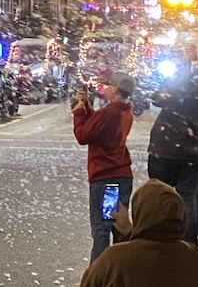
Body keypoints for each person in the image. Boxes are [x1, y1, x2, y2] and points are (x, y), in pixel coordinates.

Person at [147, 44, 198, 245]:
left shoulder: (184, 90)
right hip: (196, 153)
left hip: (166, 149)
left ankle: (159, 235)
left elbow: (158, 98)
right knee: (187, 199)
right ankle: (186, 243)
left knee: (158, 194)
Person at [80, 179, 198, 287]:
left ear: (140, 212)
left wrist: (131, 234)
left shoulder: (113, 259)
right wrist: (130, 232)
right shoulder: (193, 258)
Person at [73, 71, 136, 262]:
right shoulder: (124, 110)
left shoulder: (109, 112)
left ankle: (99, 277)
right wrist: (87, 108)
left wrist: (78, 112)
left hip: (107, 178)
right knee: (119, 228)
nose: (104, 88)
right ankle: (119, 274)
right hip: (121, 175)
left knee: (102, 230)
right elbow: (99, 127)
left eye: (108, 85)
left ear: (115, 89)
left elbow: (83, 135)